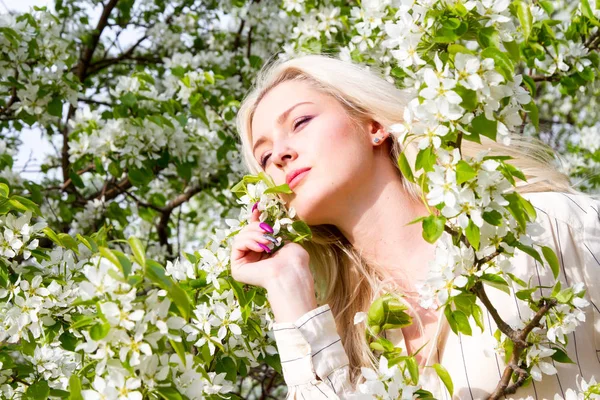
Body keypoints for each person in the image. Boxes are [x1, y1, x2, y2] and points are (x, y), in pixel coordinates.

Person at [229, 53, 600, 399]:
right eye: (263, 156)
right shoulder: (352, 348)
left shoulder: (543, 226)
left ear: (373, 125)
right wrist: (287, 286)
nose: (278, 155)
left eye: (301, 122)